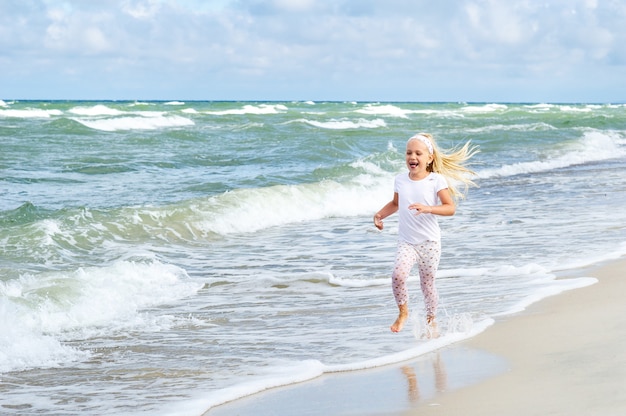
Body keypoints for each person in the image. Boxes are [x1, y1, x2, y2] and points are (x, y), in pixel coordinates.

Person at [374, 133, 477, 335]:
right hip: (407, 242)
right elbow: (395, 204)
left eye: (418, 153)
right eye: (409, 153)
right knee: (398, 275)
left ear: (429, 158)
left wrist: (428, 208)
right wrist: (379, 215)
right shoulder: (400, 180)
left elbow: (450, 208)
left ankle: (431, 320)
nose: (412, 157)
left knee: (427, 284)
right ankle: (403, 312)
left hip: (430, 243)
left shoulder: (436, 180)